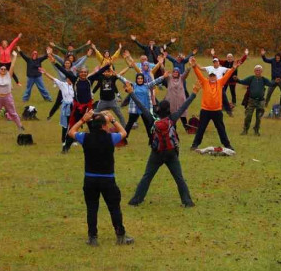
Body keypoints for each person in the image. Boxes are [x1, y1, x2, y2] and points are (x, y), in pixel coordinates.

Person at [125, 82, 200, 207]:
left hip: (157, 152)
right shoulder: (173, 118)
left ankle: (136, 200)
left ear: (159, 109)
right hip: (171, 152)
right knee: (179, 178)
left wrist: (131, 92)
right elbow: (183, 107)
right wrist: (194, 93)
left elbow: (141, 106)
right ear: (169, 109)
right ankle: (187, 202)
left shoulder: (152, 118)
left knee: (147, 176)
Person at [68, 109, 134, 246]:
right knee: (114, 208)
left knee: (92, 209)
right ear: (104, 125)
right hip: (108, 179)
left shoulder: (85, 137)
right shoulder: (110, 138)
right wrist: (113, 119)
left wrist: (83, 120)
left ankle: (93, 237)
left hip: (90, 179)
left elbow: (71, 132)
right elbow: (124, 133)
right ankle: (120, 235)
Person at [188, 56, 241, 151]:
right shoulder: (204, 82)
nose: (212, 78)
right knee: (201, 129)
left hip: (217, 111)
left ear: (216, 77)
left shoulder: (220, 82)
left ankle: (227, 145)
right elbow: (199, 74)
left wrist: (233, 68)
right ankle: (194, 145)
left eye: (214, 76)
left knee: (221, 129)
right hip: (205, 111)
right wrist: (194, 66)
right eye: (211, 76)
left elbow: (227, 75)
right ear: (209, 77)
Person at [119, 69, 166, 145]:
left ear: (143, 79)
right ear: (136, 79)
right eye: (138, 78)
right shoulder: (133, 85)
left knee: (148, 126)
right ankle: (123, 140)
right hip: (135, 109)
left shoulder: (147, 85)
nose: (140, 80)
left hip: (145, 110)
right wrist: (116, 75)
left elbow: (155, 81)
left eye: (141, 79)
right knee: (129, 125)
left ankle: (151, 141)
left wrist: (163, 76)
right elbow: (124, 80)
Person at [237, 65, 276, 136]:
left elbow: (271, 84)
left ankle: (256, 130)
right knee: (248, 115)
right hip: (251, 101)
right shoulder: (251, 78)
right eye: (256, 70)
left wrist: (276, 82)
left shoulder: (264, 79)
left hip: (261, 101)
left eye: (259, 70)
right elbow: (242, 81)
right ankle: (245, 130)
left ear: (261, 71)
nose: (258, 71)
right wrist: (236, 79)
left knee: (259, 117)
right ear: (254, 71)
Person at [163, 65, 192, 131]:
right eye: (174, 72)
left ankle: (187, 128)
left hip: (180, 100)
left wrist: (189, 66)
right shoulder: (169, 78)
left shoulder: (181, 78)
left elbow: (186, 73)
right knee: (172, 115)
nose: (175, 73)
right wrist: (161, 64)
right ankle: (173, 129)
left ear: (179, 73)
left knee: (182, 115)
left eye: (177, 72)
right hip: (171, 101)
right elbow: (164, 72)